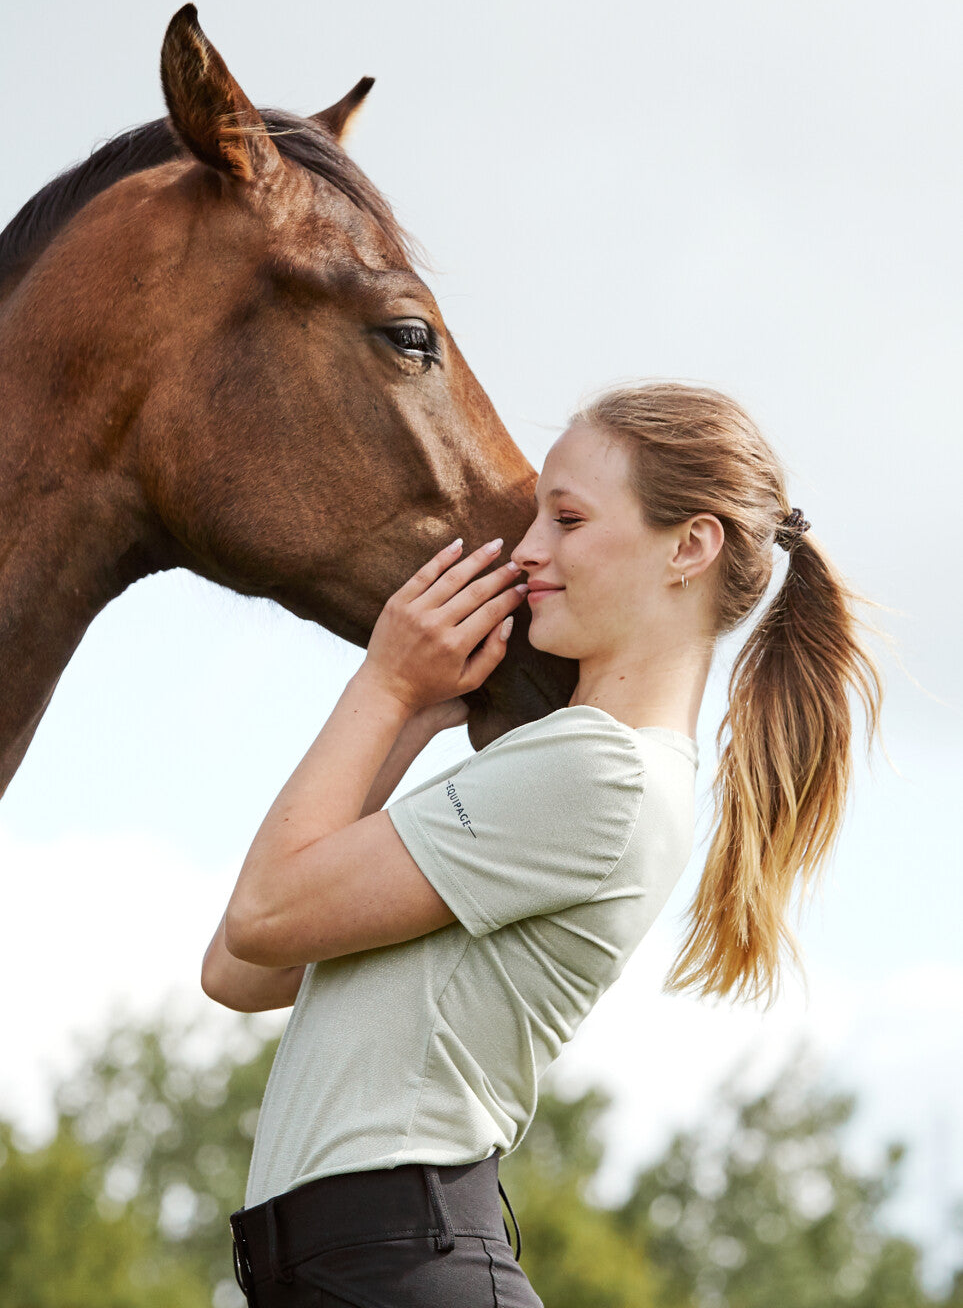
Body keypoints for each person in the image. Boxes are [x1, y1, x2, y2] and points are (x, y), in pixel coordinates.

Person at [202, 381, 882, 1307]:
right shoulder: (571, 768)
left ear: (689, 547)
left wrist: (386, 684)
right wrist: (411, 717)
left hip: (392, 1268)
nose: (525, 550)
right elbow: (240, 968)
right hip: (344, 1268)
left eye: (566, 519)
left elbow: (262, 913)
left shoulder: (598, 770)